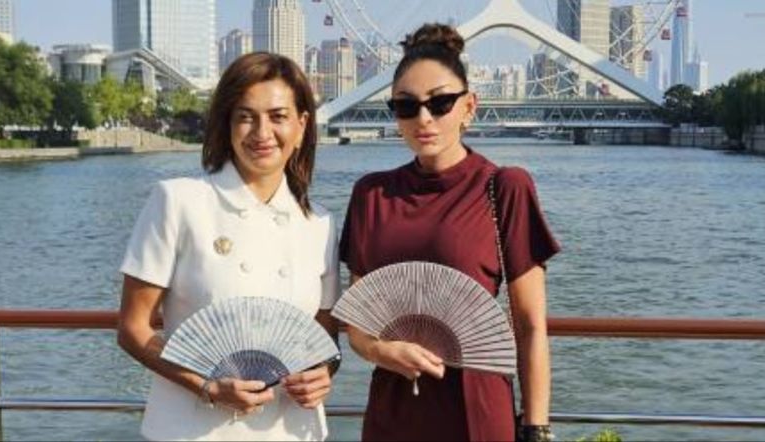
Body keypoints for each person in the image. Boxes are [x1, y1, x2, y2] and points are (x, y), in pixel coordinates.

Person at [339, 24, 560, 442]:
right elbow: (358, 325)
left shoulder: (504, 187)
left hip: (477, 409)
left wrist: (536, 428)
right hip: (392, 409)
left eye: (440, 103)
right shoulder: (371, 194)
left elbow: (530, 325)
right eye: (406, 106)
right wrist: (381, 351)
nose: (424, 119)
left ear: (469, 106)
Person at [117, 52, 340, 441]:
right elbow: (133, 329)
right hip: (193, 430)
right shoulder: (178, 201)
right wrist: (206, 386)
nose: (262, 132)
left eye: (278, 116)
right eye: (246, 116)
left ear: (302, 125)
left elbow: (325, 339)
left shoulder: (319, 223)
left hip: (292, 428)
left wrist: (324, 374)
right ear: (228, 124)